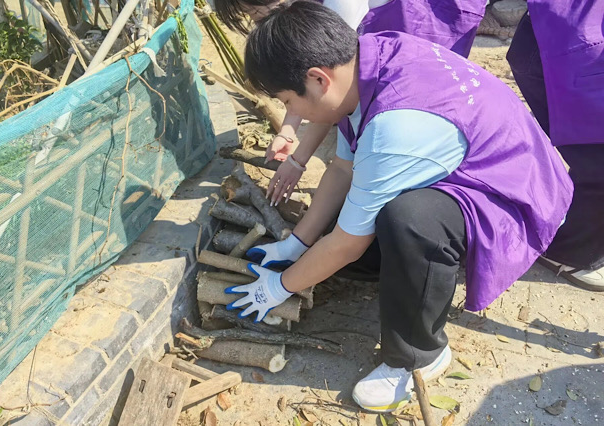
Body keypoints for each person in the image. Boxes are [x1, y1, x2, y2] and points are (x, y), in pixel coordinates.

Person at [224, 1, 573, 412]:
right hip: (473, 158)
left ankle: (418, 356)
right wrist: (297, 245)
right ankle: (399, 270)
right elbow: (343, 167)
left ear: (318, 79)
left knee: (409, 221)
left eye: (288, 101)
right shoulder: (366, 59)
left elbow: (347, 243)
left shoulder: (394, 127)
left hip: (509, 195)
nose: (293, 114)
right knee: (341, 234)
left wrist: (278, 287)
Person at [213, 0, 487, 205]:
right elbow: (310, 87)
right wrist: (287, 131)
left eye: (253, 12)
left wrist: (298, 161)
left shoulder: (339, 7)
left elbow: (329, 98)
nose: (256, 20)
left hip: (428, 19)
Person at [506, 0, 604, 290]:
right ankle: (569, 253)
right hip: (566, 50)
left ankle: (568, 224)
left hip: (562, 37)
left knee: (591, 157)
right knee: (597, 162)